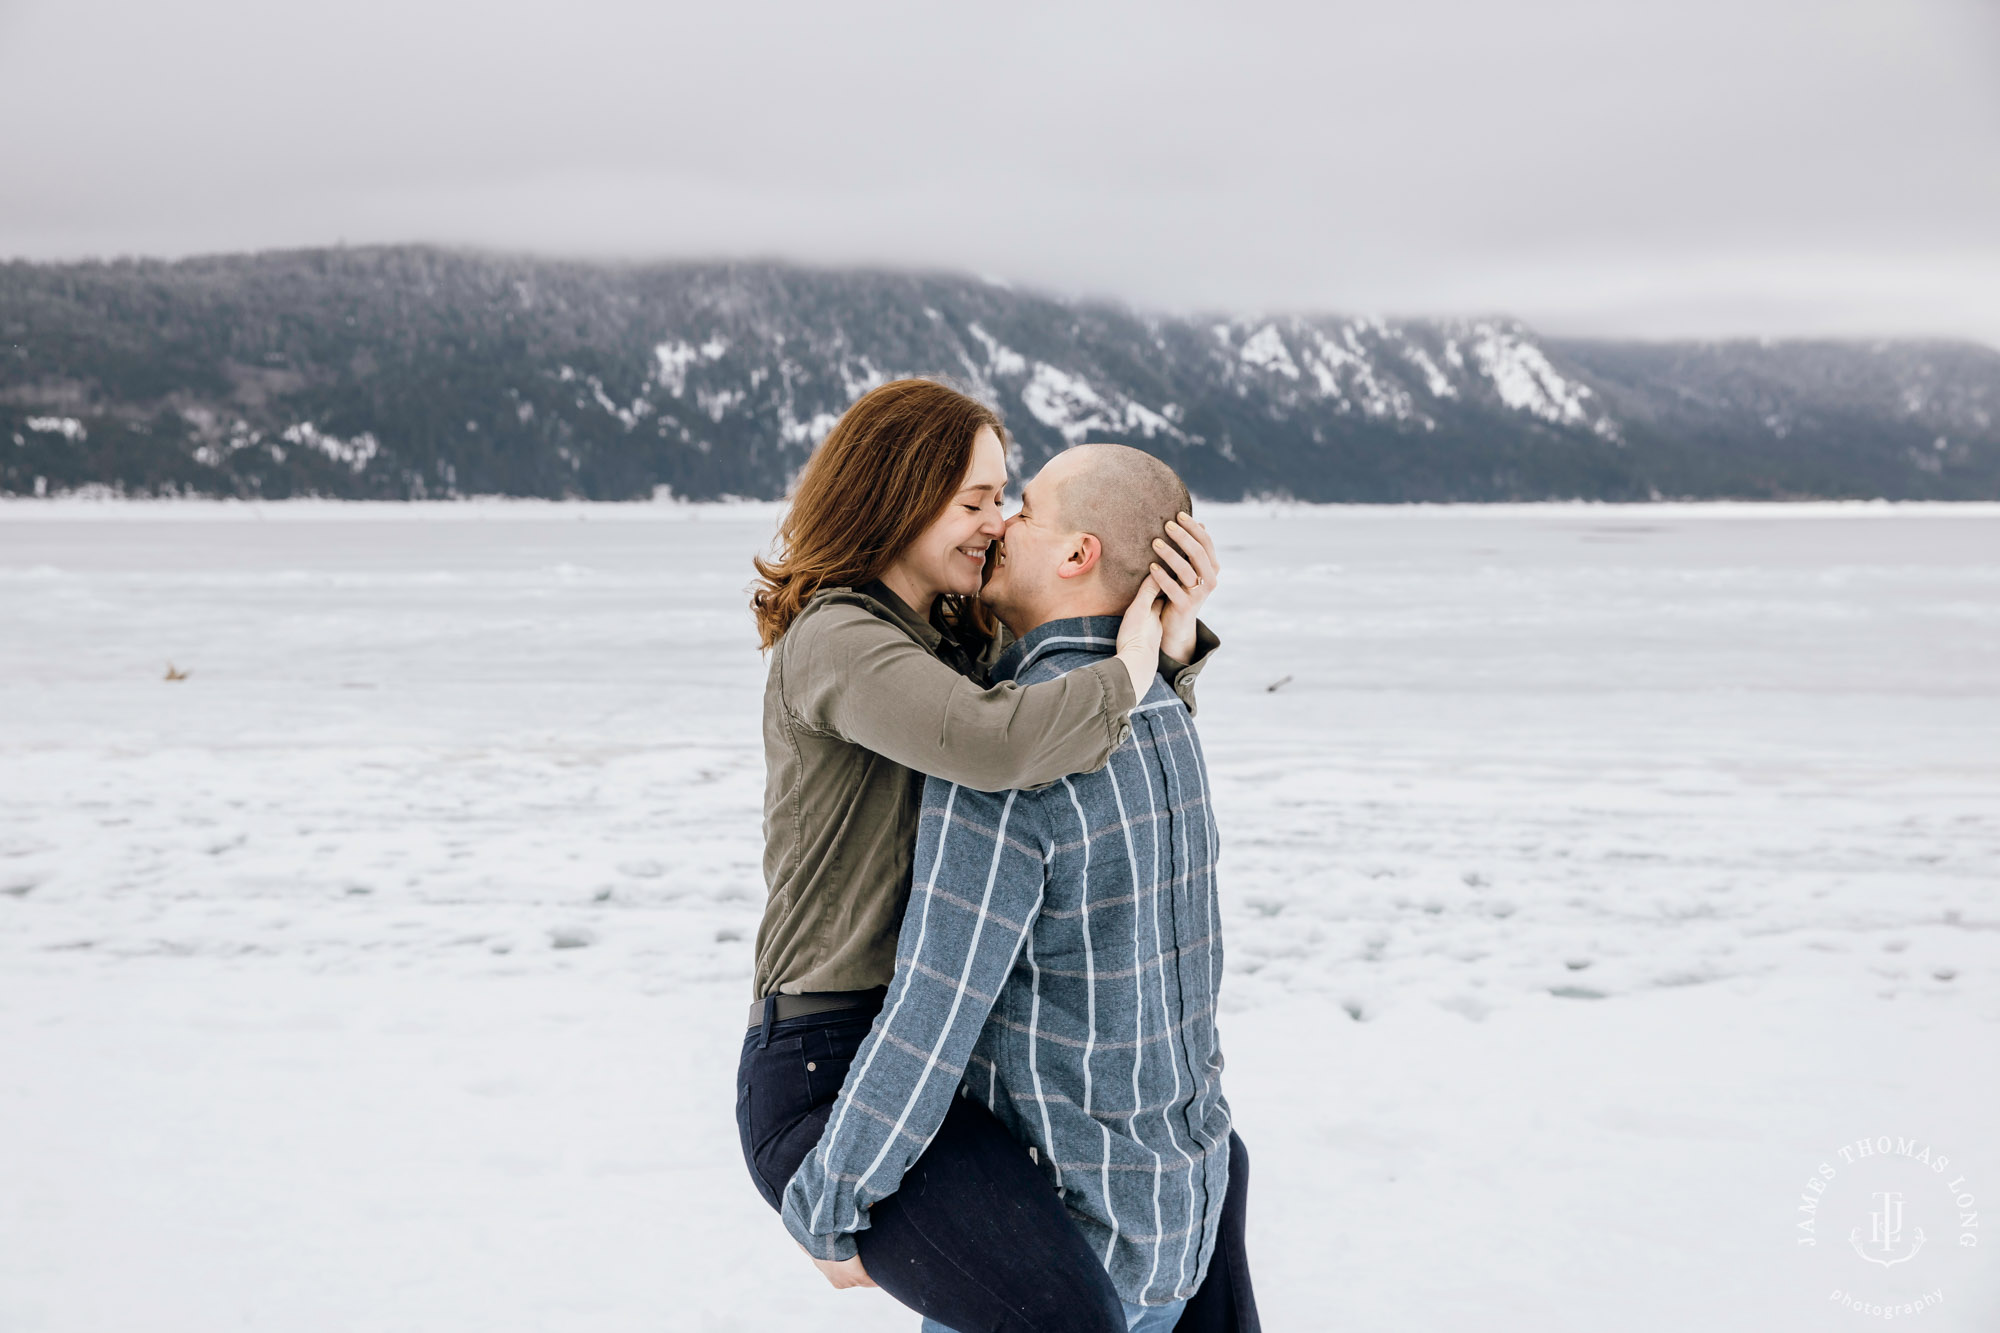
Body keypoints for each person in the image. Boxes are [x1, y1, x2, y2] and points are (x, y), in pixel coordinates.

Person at [736, 380, 1224, 1328]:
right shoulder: (842, 637)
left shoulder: (955, 635)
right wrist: (1130, 670)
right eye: (976, 502)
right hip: (828, 1061)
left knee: (1216, 1176)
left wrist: (1166, 632)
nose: (997, 523)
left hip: (922, 1061)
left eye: (1006, 500)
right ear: (899, 497)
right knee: (1067, 1316)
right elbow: (1004, 745)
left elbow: (1089, 762)